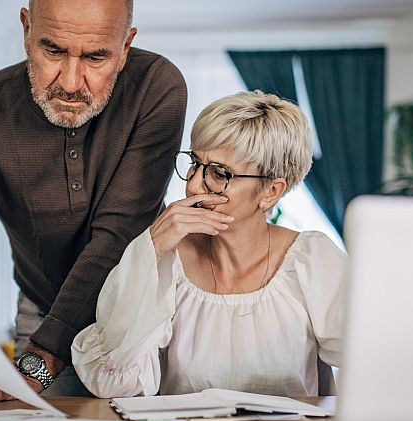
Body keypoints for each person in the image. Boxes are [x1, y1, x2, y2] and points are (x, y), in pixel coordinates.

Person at [0, 0, 187, 404]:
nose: (72, 83)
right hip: (41, 310)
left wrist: (42, 359)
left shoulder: (156, 87)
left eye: (96, 57)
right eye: (53, 51)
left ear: (125, 46)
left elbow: (118, 237)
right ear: (26, 29)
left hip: (140, 316)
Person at [71, 91, 346, 398]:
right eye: (194, 164)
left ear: (271, 192)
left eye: (219, 173)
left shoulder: (311, 260)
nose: (192, 186)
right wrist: (149, 249)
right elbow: (114, 383)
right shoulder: (166, 261)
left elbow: (377, 362)